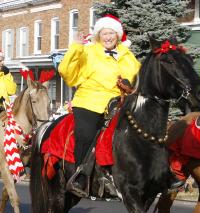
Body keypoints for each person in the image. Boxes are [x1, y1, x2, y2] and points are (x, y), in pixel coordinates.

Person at [58, 14, 141, 197]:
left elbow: (138, 80)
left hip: (118, 103)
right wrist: (75, 48)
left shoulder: (128, 56)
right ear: (98, 35)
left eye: (111, 33)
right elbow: (66, 72)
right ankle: (80, 175)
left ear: (117, 35)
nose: (108, 37)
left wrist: (130, 85)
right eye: (104, 33)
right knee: (86, 134)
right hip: (89, 100)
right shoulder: (87, 52)